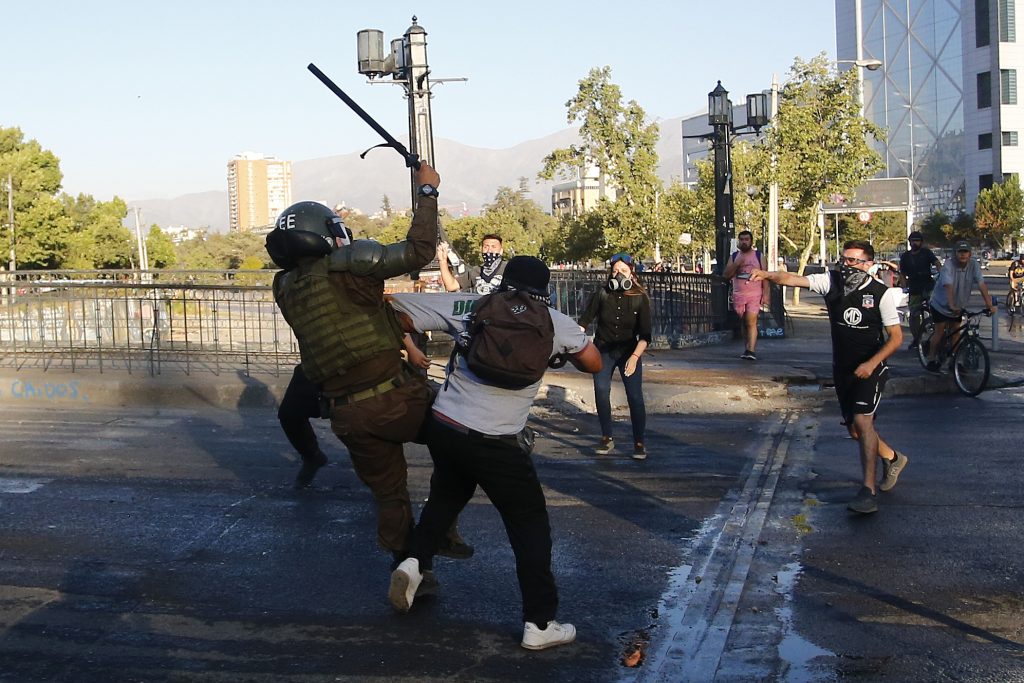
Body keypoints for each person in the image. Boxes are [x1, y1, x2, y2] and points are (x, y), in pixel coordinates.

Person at [385, 256, 602, 650]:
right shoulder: (555, 322)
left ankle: (413, 563)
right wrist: (557, 351)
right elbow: (594, 362)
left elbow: (395, 310)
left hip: (446, 425)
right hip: (497, 440)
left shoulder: (470, 306)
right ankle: (539, 623)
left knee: (448, 495)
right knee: (530, 526)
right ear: (545, 288)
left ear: (506, 281)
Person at [265, 163, 458, 563]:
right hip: (397, 397)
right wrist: (427, 192)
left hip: (347, 413)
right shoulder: (350, 264)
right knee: (461, 442)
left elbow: (359, 316)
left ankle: (408, 568)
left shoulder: (285, 287)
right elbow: (419, 251)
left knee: (390, 495)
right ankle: (442, 530)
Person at [751, 240, 909, 514]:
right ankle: (893, 458)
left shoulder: (880, 294)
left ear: (868, 264)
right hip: (843, 369)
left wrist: (871, 364)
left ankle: (868, 490)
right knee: (854, 429)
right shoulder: (830, 282)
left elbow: (896, 339)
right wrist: (768, 275)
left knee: (863, 421)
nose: (845, 266)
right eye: (843, 259)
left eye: (852, 261)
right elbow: (792, 278)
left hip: (871, 367)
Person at [576, 253, 652, 460]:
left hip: (629, 351)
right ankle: (606, 437)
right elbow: (584, 321)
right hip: (603, 350)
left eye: (623, 271)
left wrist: (635, 357)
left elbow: (646, 335)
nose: (619, 275)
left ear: (632, 273)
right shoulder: (601, 293)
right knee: (601, 391)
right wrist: (575, 339)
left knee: (634, 396)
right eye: (615, 271)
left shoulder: (640, 297)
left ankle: (639, 441)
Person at [925, 242, 996, 372]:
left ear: (970, 254)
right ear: (955, 253)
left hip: (958, 306)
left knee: (956, 333)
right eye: (960, 252)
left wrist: (989, 304)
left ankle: (954, 361)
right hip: (941, 304)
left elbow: (981, 284)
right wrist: (951, 304)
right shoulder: (949, 265)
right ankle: (931, 358)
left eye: (965, 252)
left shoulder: (974, 265)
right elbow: (948, 285)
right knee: (939, 332)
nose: (963, 254)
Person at [723, 230, 769, 360]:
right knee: (744, 321)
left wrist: (766, 294)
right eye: (741, 239)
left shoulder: (759, 256)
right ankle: (747, 348)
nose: (744, 242)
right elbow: (726, 275)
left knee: (751, 321)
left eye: (746, 239)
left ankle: (751, 350)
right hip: (739, 294)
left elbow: (765, 276)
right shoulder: (734, 256)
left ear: (751, 241)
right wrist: (737, 263)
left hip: (754, 294)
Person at [898, 231, 941, 349]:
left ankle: (939, 335)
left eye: (917, 240)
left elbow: (937, 263)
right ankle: (917, 339)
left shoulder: (926, 253)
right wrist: (904, 286)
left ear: (921, 242)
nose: (914, 243)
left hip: (928, 285)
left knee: (937, 310)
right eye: (912, 241)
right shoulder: (905, 256)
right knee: (913, 315)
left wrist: (942, 275)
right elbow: (902, 273)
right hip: (914, 287)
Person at [437, 234, 506, 293]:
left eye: (493, 247)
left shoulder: (509, 268)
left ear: (501, 251)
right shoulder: (475, 271)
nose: (489, 250)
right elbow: (451, 286)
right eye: (486, 247)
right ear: (481, 250)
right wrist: (442, 261)